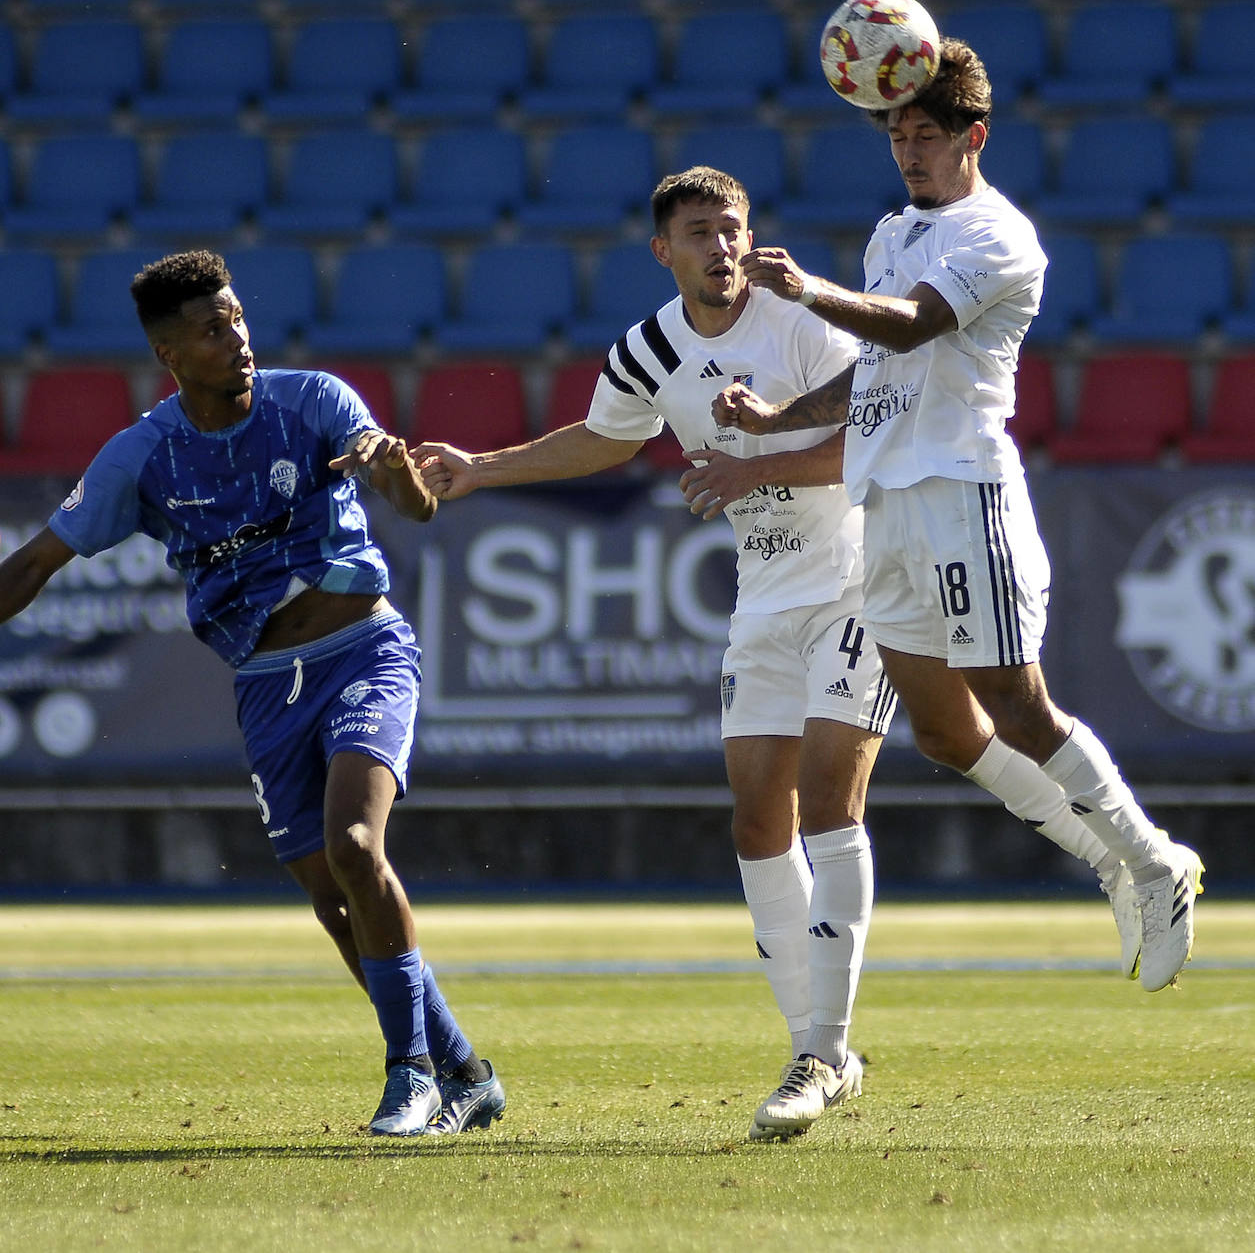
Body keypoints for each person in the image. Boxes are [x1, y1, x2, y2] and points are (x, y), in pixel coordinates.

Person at [710, 37, 1203, 998]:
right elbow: (878, 366)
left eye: (925, 135)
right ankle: (1116, 856)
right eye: (896, 135)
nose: (907, 153)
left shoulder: (997, 236)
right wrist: (779, 419)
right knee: (941, 732)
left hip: (960, 491)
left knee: (1014, 701)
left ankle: (1149, 861)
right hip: (886, 499)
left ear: (973, 136)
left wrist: (807, 290)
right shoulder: (893, 233)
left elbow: (915, 325)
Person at [418, 167, 889, 1141]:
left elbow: (874, 434)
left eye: (733, 228)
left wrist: (751, 461)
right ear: (662, 251)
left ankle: (817, 1051)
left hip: (856, 581)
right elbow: (603, 440)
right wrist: (481, 470)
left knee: (832, 799)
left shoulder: (797, 321)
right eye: (700, 232)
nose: (722, 247)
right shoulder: (647, 350)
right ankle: (824, 1053)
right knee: (759, 821)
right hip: (763, 602)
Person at [0, 250, 504, 1139]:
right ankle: (465, 1068)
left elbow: (416, 506)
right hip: (266, 683)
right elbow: (39, 560)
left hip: (364, 649)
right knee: (328, 897)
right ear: (169, 354)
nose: (234, 336)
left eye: (235, 317)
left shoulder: (312, 401)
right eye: (209, 328)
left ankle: (411, 1075)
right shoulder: (143, 456)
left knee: (356, 842)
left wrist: (391, 470)